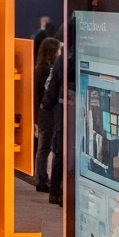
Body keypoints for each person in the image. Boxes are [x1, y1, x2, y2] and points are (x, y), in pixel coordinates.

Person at [33, 37, 61, 192]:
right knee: (45, 147)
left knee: (44, 146)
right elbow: (43, 94)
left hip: (43, 113)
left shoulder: (40, 69)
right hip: (47, 113)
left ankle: (42, 178)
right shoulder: (46, 71)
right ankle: (42, 179)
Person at [42, 38, 66, 205]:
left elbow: (52, 86)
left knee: (59, 151)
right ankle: (60, 192)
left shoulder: (61, 60)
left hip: (62, 110)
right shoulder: (66, 59)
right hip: (71, 112)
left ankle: (56, 192)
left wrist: (47, 105)